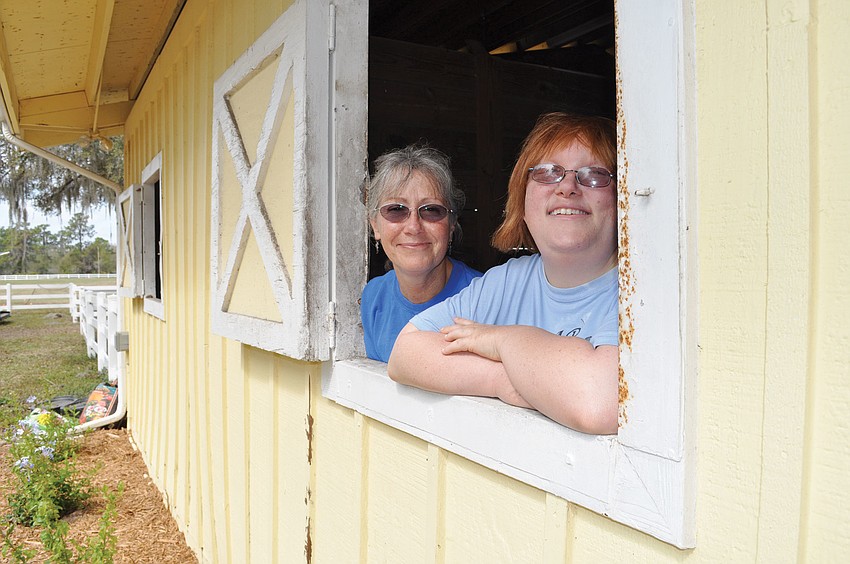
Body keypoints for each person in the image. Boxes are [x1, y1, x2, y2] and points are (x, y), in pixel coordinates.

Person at [387, 113, 619, 435]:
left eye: (593, 175)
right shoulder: (509, 281)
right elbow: (405, 353)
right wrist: (500, 379)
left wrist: (502, 341)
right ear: (522, 200)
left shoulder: (635, 293)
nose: (567, 187)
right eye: (547, 173)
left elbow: (597, 404)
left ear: (623, 199)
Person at [361, 145, 482, 363]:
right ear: (375, 226)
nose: (413, 227)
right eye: (396, 209)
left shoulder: (485, 298)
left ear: (451, 224)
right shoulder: (373, 296)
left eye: (431, 210)